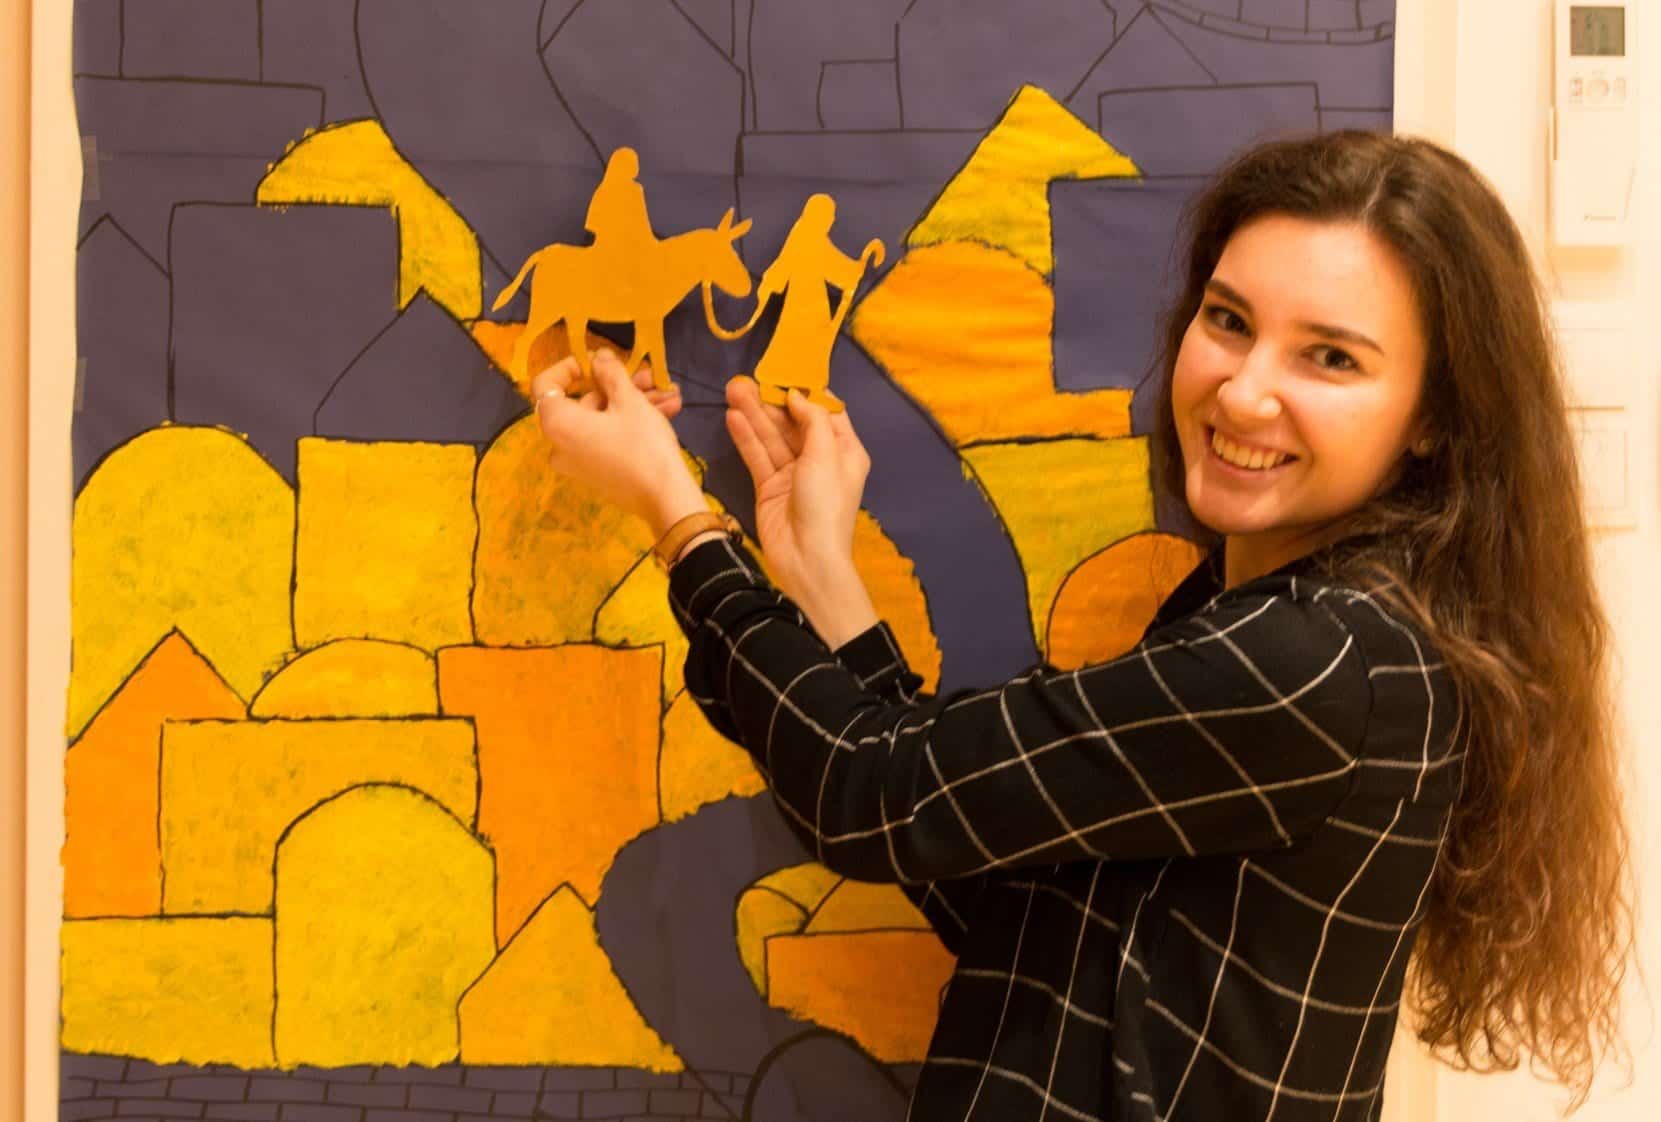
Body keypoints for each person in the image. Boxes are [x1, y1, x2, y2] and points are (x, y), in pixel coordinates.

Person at [526, 131, 1633, 1120]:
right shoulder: (1259, 622)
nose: (1242, 392)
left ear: (1433, 415)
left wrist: (677, 517)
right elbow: (1018, 906)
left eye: (1329, 357)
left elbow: (864, 792)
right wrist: (821, 578)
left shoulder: (1316, 661)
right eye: (1228, 321)